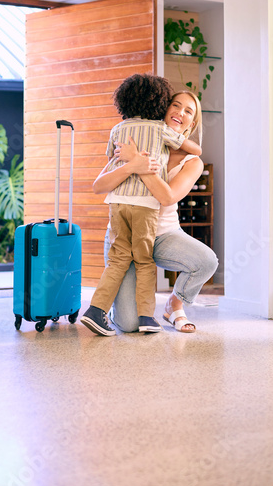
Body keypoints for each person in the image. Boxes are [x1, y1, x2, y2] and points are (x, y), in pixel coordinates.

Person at [80, 75, 202, 337]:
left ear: (193, 122)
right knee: (130, 320)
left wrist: (136, 163)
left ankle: (170, 306)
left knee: (204, 261)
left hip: (154, 228)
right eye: (175, 105)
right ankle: (144, 317)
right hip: (141, 213)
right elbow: (99, 184)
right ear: (163, 106)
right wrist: (134, 164)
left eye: (188, 111)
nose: (180, 112)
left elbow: (168, 197)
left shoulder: (121, 132)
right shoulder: (159, 133)